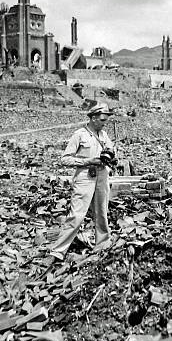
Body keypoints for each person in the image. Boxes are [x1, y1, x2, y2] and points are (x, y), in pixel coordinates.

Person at [48, 103, 115, 260]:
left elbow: (112, 152)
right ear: (93, 118)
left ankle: (102, 244)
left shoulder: (104, 135)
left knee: (101, 212)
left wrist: (113, 158)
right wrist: (88, 161)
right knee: (77, 214)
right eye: (102, 119)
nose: (104, 123)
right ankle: (58, 251)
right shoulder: (80, 135)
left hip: (102, 175)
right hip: (86, 176)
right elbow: (65, 159)